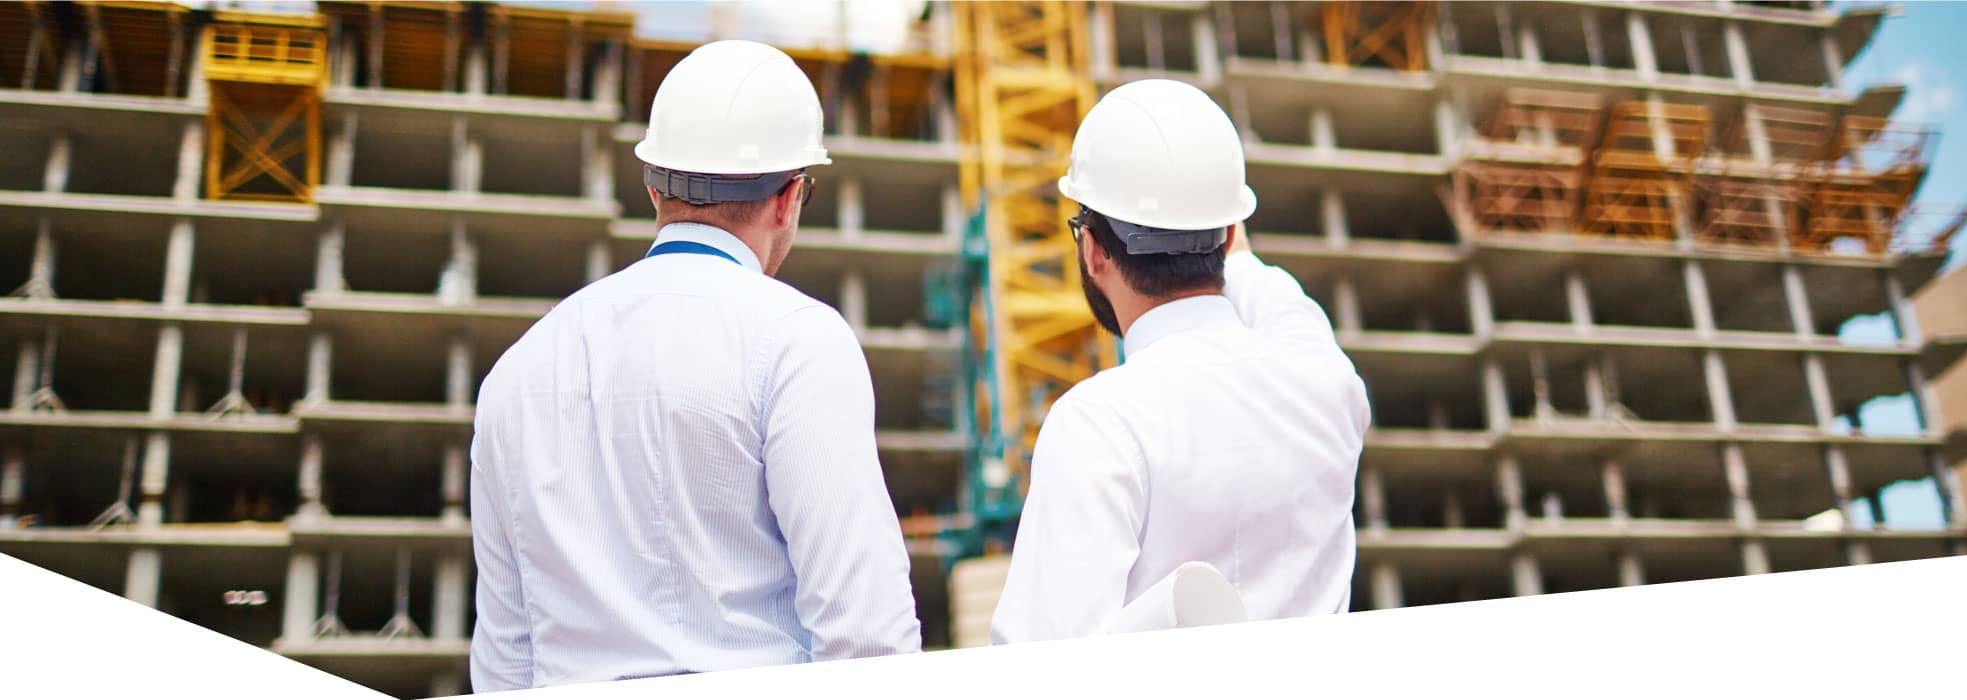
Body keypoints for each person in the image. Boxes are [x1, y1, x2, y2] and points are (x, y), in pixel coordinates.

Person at [469, 40, 919, 691]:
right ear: (791, 198)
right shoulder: (797, 341)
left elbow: (505, 658)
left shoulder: (517, 372)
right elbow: (867, 637)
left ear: (653, 185)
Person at [988, 79, 1370, 643]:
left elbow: (1042, 661)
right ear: (1230, 232)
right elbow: (1273, 292)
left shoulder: (1099, 424)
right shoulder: (1326, 381)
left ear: (1093, 252)